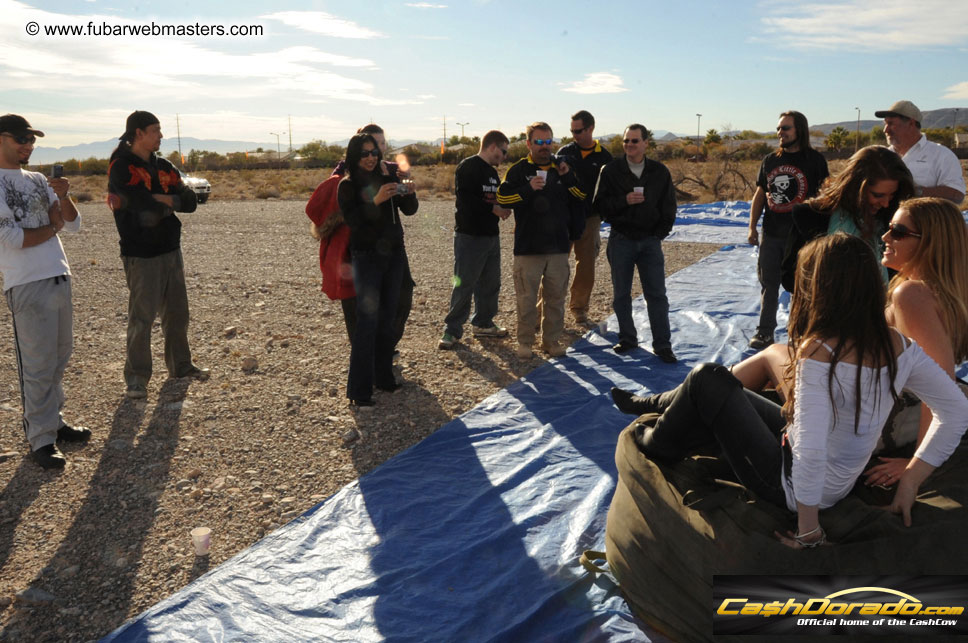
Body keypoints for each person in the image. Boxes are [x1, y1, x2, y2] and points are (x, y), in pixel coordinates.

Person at [613, 233, 968, 547]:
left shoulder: (821, 351)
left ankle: (656, 442)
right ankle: (657, 401)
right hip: (825, 474)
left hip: (790, 486)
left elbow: (810, 453)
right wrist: (912, 479)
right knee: (717, 380)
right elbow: (956, 411)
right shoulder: (897, 343)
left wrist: (809, 529)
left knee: (708, 376)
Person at [0, 114, 88, 469]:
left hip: (57, 275)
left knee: (58, 357)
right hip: (26, 282)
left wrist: (63, 198)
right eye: (21, 138)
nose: (28, 145)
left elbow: (73, 223)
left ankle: (54, 422)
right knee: (36, 365)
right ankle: (40, 439)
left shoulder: (38, 179)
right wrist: (54, 227)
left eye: (32, 139)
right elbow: (12, 239)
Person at [863, 197, 968, 486]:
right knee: (774, 355)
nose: (885, 236)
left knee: (771, 357)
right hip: (902, 413)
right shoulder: (945, 292)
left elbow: (940, 384)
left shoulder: (911, 295)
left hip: (893, 424)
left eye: (898, 231)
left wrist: (917, 462)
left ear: (930, 243)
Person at [108, 111, 209, 400]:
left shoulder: (164, 166)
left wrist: (166, 200)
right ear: (138, 133)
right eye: (155, 130)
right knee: (142, 318)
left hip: (170, 248)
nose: (161, 136)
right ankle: (137, 379)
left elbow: (191, 201)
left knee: (177, 314)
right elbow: (139, 205)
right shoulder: (121, 166)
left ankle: (181, 366)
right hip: (141, 253)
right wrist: (168, 202)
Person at [312, 123, 416, 347]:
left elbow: (409, 208)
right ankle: (363, 355)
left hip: (391, 249)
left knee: (401, 295)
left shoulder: (390, 170)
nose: (376, 151)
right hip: (353, 248)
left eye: (381, 144)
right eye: (371, 146)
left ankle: (385, 349)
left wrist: (407, 189)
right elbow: (336, 210)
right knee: (357, 304)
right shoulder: (344, 176)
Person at [337, 133, 418, 406]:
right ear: (354, 156)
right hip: (367, 258)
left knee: (388, 318)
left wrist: (408, 191)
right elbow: (354, 221)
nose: (371, 157)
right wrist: (376, 200)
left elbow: (410, 210)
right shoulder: (347, 186)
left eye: (374, 152)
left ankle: (383, 378)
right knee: (367, 323)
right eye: (365, 153)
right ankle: (358, 390)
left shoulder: (387, 178)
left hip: (394, 256)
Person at [497, 121, 585, 359]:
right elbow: (503, 199)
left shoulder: (562, 167)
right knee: (526, 299)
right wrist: (527, 189)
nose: (544, 146)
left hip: (558, 246)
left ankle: (551, 341)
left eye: (548, 141)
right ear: (528, 143)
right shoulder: (517, 170)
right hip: (528, 248)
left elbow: (581, 197)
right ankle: (525, 342)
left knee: (555, 298)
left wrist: (567, 178)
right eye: (539, 142)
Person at [593, 124, 677, 363]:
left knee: (657, 295)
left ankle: (662, 345)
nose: (629, 145)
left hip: (650, 242)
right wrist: (624, 200)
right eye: (626, 141)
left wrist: (659, 234)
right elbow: (599, 206)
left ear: (646, 143)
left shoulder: (659, 171)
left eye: (634, 141)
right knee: (621, 294)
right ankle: (628, 339)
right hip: (622, 240)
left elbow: (669, 206)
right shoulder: (610, 171)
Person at [747, 111, 829, 350]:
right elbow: (761, 194)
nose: (780, 133)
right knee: (768, 284)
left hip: (803, 236)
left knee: (803, 287)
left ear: (799, 131)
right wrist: (752, 226)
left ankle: (801, 334)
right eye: (779, 128)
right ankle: (764, 333)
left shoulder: (815, 161)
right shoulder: (770, 160)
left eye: (786, 128)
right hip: (772, 233)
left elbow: (826, 196)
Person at [784, 146, 915, 287]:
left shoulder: (893, 220)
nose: (885, 203)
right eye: (877, 195)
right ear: (854, 187)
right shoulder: (812, 216)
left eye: (892, 195)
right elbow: (789, 277)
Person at [438, 130, 511, 350]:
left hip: (491, 236)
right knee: (464, 283)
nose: (504, 156)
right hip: (470, 237)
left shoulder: (492, 173)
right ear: (492, 146)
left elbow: (495, 197)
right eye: (503, 151)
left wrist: (504, 206)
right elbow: (467, 200)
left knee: (490, 283)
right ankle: (452, 330)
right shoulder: (467, 167)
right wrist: (494, 209)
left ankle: (483, 322)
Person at [557, 110, 612, 326]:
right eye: (572, 131)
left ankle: (579, 309)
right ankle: (545, 311)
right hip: (564, 217)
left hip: (589, 219)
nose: (574, 135)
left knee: (586, 264)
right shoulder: (564, 152)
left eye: (578, 131)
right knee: (556, 264)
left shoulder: (605, 157)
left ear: (591, 129)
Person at [875, 100, 966, 204]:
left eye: (891, 124)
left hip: (927, 220)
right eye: (885, 124)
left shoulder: (942, 155)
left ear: (911, 123)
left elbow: (957, 194)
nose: (885, 130)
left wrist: (915, 192)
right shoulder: (882, 156)